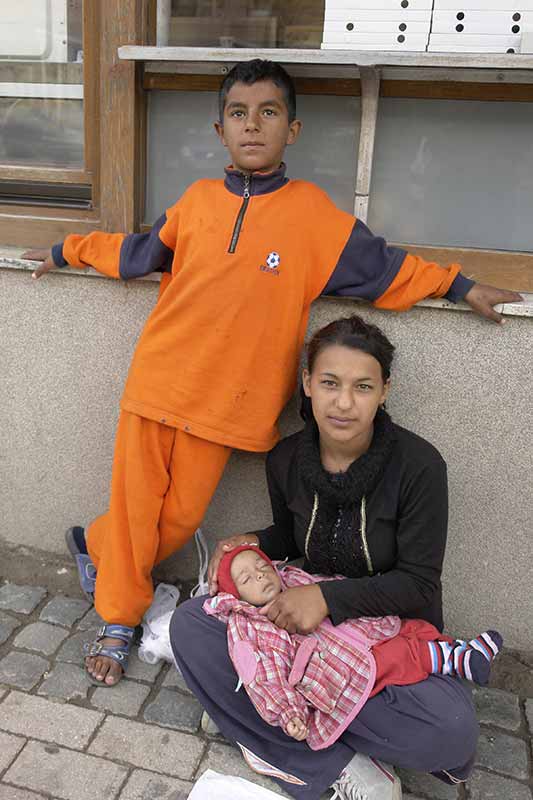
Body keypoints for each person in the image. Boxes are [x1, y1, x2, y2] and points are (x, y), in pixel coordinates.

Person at [24, 58, 520, 689]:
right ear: (219, 128)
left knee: (174, 520)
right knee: (135, 509)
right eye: (238, 113)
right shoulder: (197, 202)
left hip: (226, 407)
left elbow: (388, 267)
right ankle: (119, 616)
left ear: (293, 129)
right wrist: (70, 247)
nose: (252, 125)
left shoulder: (315, 217)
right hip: (157, 382)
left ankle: (96, 546)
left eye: (268, 113)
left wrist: (460, 285)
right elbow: (136, 252)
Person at [170, 314, 484, 799]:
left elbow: (420, 583)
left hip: (383, 642)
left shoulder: (420, 466)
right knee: (190, 624)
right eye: (330, 383)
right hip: (297, 629)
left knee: (453, 729)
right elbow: (293, 540)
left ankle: (268, 714)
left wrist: (326, 598)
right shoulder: (286, 458)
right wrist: (246, 542)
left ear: (384, 392)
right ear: (307, 384)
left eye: (362, 386)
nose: (343, 402)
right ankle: (324, 762)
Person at [208, 544, 501, 750]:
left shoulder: (292, 578)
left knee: (412, 629)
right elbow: (264, 677)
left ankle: (460, 651)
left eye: (262, 566)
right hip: (335, 667)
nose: (260, 574)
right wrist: (290, 713)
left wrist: (341, 595)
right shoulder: (250, 629)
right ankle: (451, 660)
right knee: (399, 656)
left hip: (353, 629)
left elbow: (323, 582)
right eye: (247, 578)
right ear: (235, 595)